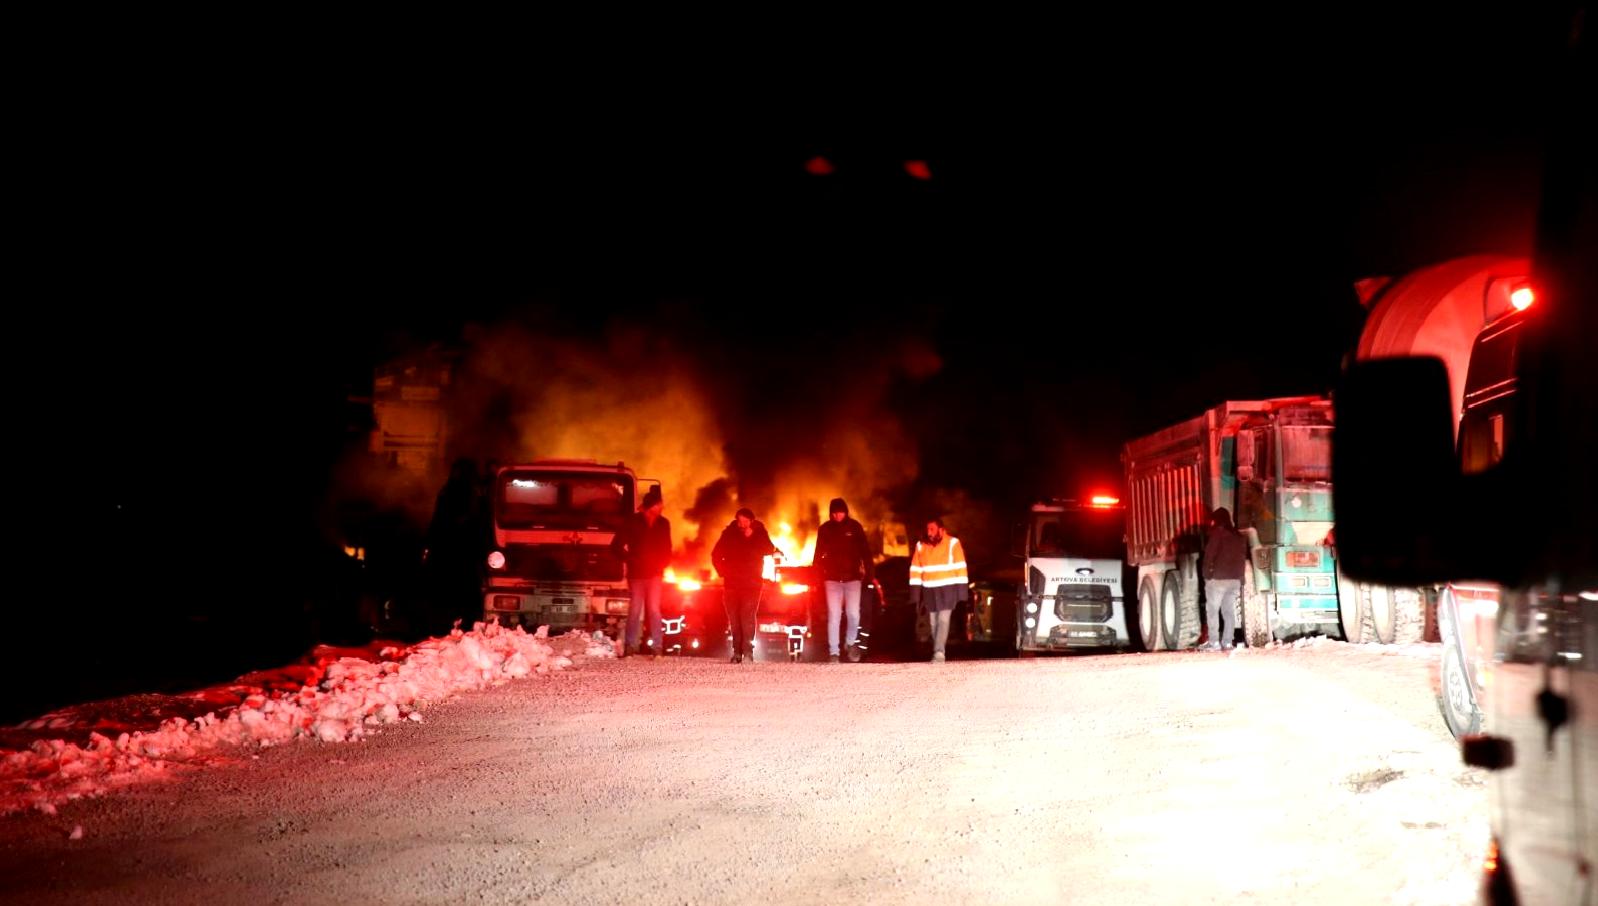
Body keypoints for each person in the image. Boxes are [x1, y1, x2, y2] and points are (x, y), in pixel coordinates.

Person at [611, 486, 672, 658]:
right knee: (635, 610)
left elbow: (667, 548)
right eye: (659, 505)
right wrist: (630, 559)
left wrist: (662, 565)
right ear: (650, 506)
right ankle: (630, 647)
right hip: (636, 575)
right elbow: (615, 546)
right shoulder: (632, 522)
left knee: (653, 609)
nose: (661, 508)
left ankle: (657, 648)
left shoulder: (663, 523)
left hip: (655, 575)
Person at [711, 507, 776, 663]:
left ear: (751, 521)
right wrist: (723, 571)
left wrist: (753, 537)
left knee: (747, 617)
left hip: (752, 584)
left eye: (746, 521)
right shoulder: (729, 533)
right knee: (734, 619)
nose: (742, 524)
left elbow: (769, 549)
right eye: (740, 521)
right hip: (732, 584)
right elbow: (716, 554)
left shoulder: (759, 532)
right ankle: (737, 652)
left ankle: (748, 652)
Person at [813, 498, 874, 663]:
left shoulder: (855, 527)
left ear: (846, 512)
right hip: (831, 580)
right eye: (834, 512)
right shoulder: (825, 529)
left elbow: (865, 552)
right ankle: (834, 652)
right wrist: (817, 576)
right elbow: (818, 554)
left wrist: (869, 574)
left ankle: (850, 643)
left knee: (854, 614)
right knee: (834, 615)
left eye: (840, 512)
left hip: (853, 579)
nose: (837, 515)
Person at [909, 517, 968, 663]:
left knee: (943, 620)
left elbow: (961, 567)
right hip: (930, 590)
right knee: (933, 622)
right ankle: (938, 649)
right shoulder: (921, 546)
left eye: (932, 529)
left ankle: (939, 652)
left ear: (941, 530)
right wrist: (915, 594)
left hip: (948, 589)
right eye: (928, 529)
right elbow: (915, 570)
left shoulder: (953, 543)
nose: (929, 532)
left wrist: (962, 593)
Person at [1202, 507, 1247, 650]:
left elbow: (1209, 556)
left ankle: (1214, 641)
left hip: (1218, 580)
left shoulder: (1217, 534)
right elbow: (1242, 558)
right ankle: (1227, 641)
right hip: (1234, 580)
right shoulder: (1239, 536)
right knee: (1229, 611)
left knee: (1213, 610)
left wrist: (1207, 575)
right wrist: (1241, 578)